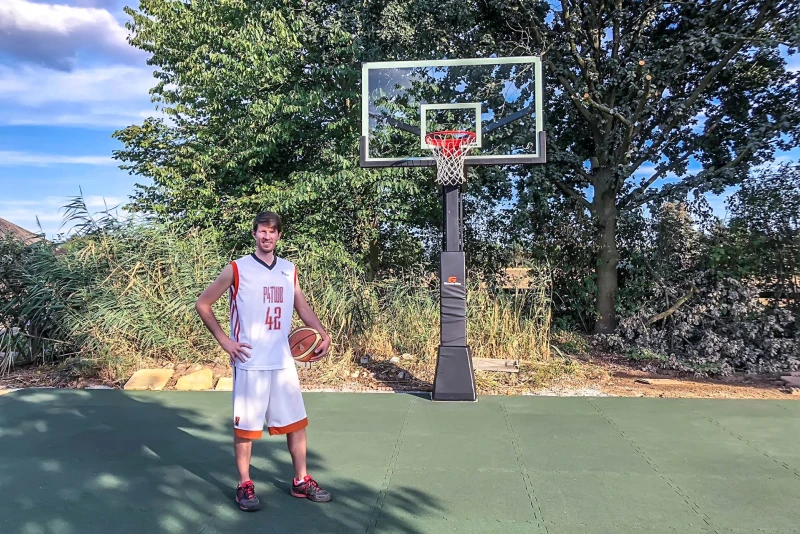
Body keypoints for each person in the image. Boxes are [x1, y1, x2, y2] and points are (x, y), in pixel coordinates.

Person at [195, 211, 332, 511]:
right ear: (254, 234)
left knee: (296, 424)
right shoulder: (237, 269)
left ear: (279, 236)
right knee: (246, 428)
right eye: (262, 231)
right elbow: (203, 303)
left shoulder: (288, 270)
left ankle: (301, 480)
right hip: (250, 360)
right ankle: (244, 484)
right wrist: (224, 340)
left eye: (272, 231)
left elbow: (302, 307)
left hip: (283, 361)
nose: (267, 236)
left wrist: (322, 333)